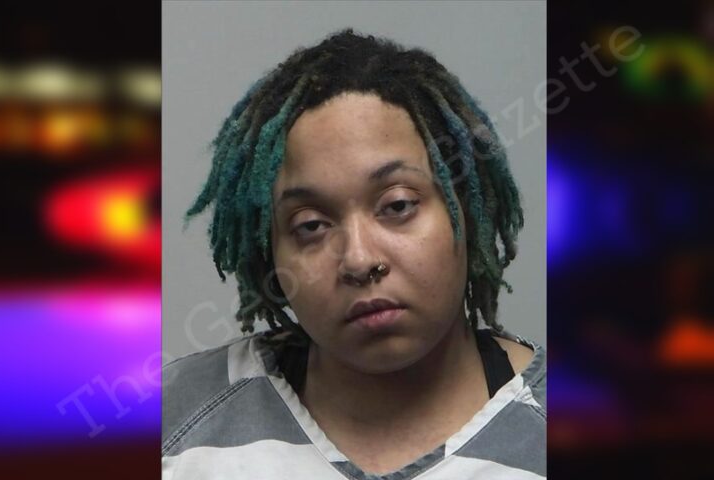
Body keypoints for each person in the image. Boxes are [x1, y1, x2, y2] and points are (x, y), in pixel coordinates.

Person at [162, 29, 546, 479]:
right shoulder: (171, 421)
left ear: (467, 209)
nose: (360, 261)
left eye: (398, 206)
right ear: (270, 255)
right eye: (311, 225)